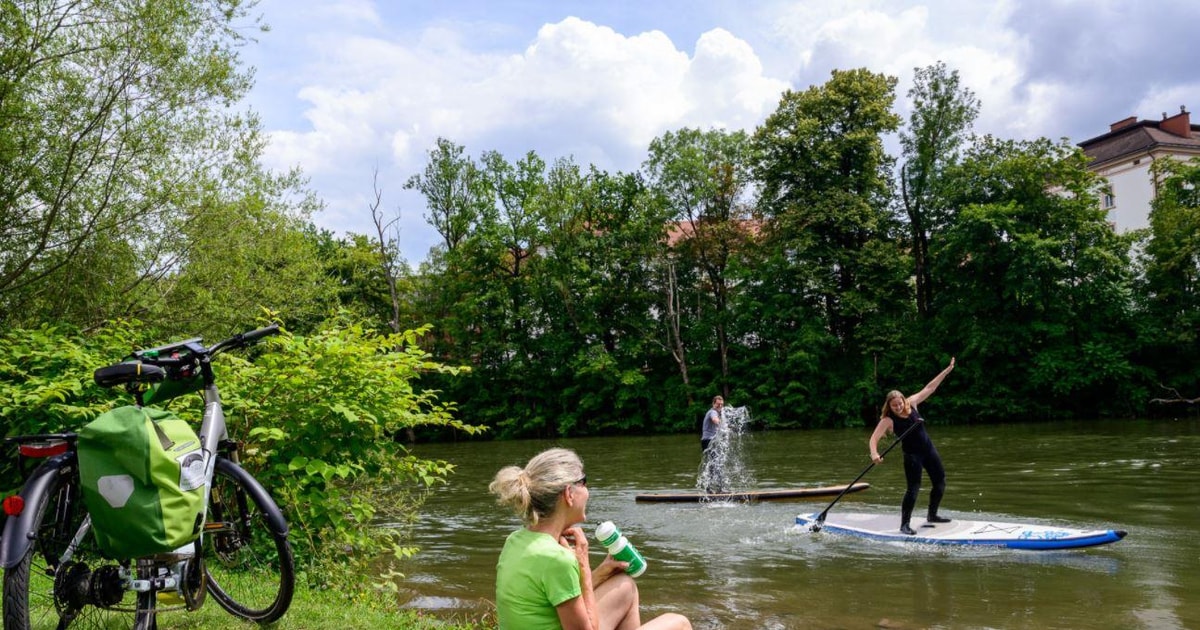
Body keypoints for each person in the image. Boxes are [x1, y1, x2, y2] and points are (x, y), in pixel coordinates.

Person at [489, 447, 693, 630]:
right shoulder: (557, 559)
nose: (587, 491)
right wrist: (584, 566)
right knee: (679, 623)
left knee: (625, 587)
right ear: (569, 494)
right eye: (583, 482)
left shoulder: (515, 540)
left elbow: (552, 598)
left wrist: (601, 573)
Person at [868, 357, 956, 536]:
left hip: (928, 450)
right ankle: (904, 525)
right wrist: (874, 454)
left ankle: (932, 515)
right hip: (912, 456)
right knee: (913, 489)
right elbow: (873, 439)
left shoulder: (912, 403)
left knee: (940, 482)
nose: (898, 407)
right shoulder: (888, 420)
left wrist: (947, 371)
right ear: (889, 406)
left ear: (903, 400)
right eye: (894, 405)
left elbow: (930, 387)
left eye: (900, 403)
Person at [699, 395, 725, 492]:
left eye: (721, 404)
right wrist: (722, 424)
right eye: (718, 404)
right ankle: (720, 489)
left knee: (712, 464)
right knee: (717, 464)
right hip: (709, 441)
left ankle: (709, 488)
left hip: (708, 441)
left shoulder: (718, 413)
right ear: (713, 404)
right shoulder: (712, 412)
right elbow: (715, 420)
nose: (720, 406)